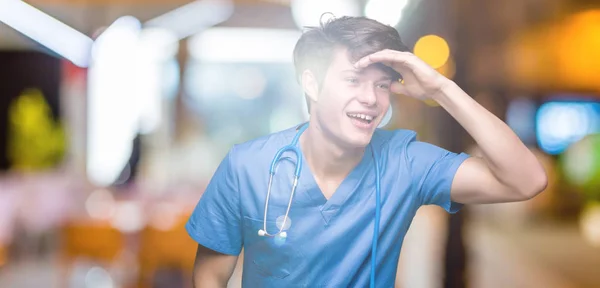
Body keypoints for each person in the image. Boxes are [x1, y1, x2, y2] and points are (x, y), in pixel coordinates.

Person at [185, 16, 547, 287]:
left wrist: (440, 88)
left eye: (382, 85)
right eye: (353, 80)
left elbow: (526, 181)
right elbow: (210, 276)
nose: (370, 99)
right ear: (311, 82)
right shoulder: (247, 166)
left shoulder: (405, 163)